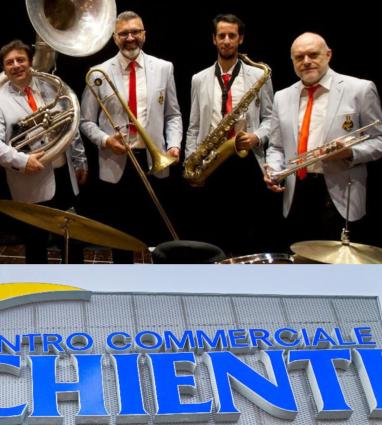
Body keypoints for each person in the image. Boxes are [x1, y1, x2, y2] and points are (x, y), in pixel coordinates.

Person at [80, 10, 183, 263]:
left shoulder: (164, 68)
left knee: (157, 236)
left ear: (144, 34)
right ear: (115, 38)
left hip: (154, 162)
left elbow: (173, 115)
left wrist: (174, 145)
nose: (130, 38)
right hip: (117, 165)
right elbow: (85, 122)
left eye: (135, 32)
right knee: (121, 237)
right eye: (124, 33)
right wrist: (105, 140)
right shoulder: (98, 73)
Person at [264, 32, 382, 246]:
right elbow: (276, 146)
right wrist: (273, 170)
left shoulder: (360, 89)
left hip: (339, 195)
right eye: (299, 57)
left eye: (313, 55)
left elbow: (378, 140)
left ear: (328, 55)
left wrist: (350, 152)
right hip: (296, 194)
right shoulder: (282, 96)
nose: (306, 61)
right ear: (292, 62)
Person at [0, 39, 88, 263]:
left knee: (73, 242)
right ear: (4, 68)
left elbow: (70, 125)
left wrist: (79, 160)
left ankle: (75, 287)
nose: (16, 65)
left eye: (21, 60)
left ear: (30, 62)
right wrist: (21, 160)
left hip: (64, 177)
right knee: (36, 245)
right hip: (31, 182)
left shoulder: (52, 88)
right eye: (10, 62)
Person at [184, 14, 274, 255]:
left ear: (240, 39)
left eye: (231, 36)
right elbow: (193, 127)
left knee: (246, 232)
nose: (226, 40)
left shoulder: (259, 76)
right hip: (211, 162)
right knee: (212, 232)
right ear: (214, 39)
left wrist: (256, 137)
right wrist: (191, 163)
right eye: (221, 36)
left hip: (246, 162)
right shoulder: (199, 79)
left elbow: (271, 119)